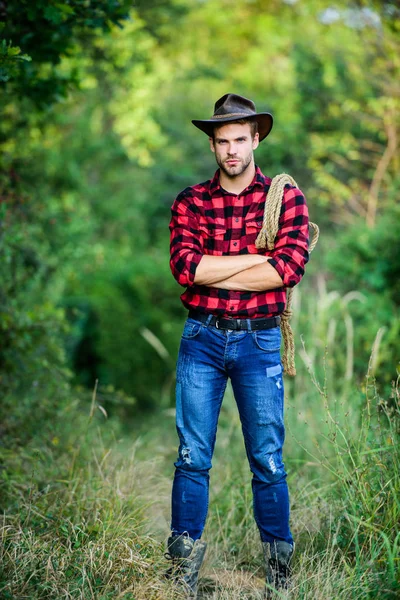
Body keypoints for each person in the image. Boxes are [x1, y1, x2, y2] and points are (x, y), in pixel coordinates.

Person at [166, 93, 309, 598]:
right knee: (191, 456)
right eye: (222, 141)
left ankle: (279, 573)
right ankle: (181, 571)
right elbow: (187, 268)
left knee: (268, 458)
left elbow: (287, 270)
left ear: (256, 139)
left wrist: (218, 268)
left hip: (259, 340)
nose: (231, 150)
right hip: (201, 338)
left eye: (239, 140)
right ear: (212, 143)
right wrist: (256, 261)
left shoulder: (284, 198)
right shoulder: (191, 201)